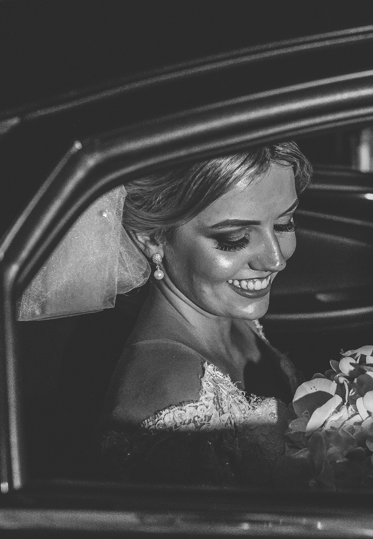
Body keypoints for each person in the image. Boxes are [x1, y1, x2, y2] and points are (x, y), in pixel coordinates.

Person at [19, 142, 311, 485]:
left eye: (284, 223)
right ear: (152, 238)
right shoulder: (169, 398)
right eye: (234, 238)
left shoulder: (235, 319)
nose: (275, 259)